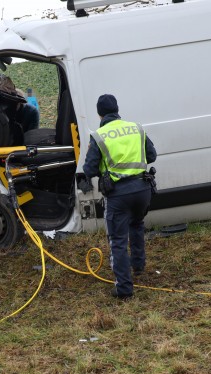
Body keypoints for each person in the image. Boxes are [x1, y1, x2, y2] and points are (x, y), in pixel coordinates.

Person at [81, 94, 157, 299]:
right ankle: (138, 266)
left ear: (99, 113)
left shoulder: (98, 136)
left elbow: (88, 169)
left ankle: (124, 288)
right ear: (117, 109)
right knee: (137, 224)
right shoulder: (136, 128)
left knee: (118, 240)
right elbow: (152, 156)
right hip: (143, 190)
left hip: (118, 195)